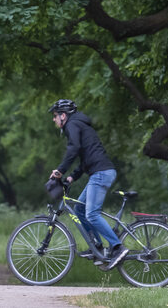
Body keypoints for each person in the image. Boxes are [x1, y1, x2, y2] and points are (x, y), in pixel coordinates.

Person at [48, 99, 126, 268]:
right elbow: (85, 160)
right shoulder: (80, 125)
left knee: (92, 214)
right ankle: (97, 246)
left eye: (55, 116)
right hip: (100, 172)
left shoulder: (72, 125)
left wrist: (60, 170)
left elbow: (73, 148)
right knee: (80, 209)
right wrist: (71, 177)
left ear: (63, 115)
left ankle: (118, 247)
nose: (54, 120)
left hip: (101, 173)